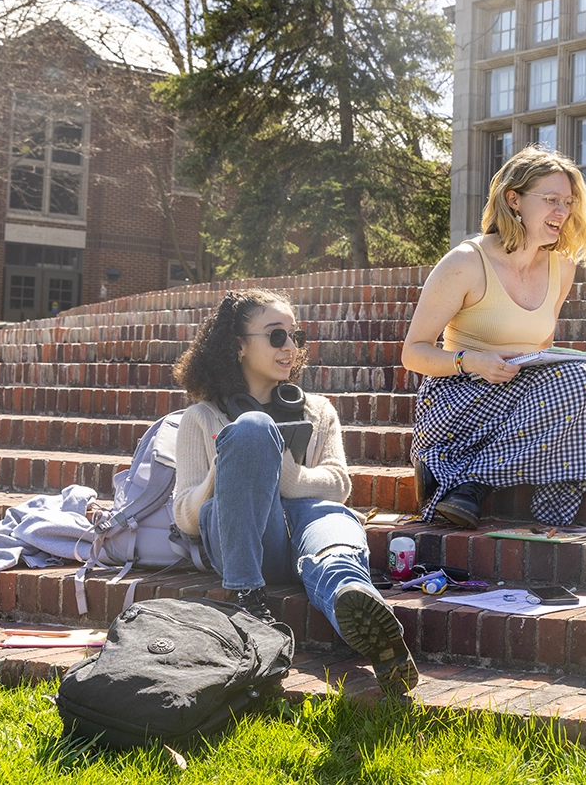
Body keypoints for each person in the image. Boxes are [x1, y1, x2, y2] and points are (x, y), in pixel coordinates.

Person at [171, 288, 418, 696]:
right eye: (275, 335)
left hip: (307, 535)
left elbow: (339, 485)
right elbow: (186, 517)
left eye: (294, 336)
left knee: (330, 514)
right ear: (238, 346)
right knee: (252, 427)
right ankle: (247, 598)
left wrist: (286, 473)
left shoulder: (317, 411)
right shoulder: (201, 417)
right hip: (247, 545)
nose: (290, 347)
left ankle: (351, 600)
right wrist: (223, 468)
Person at [402, 146, 586, 529]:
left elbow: (542, 348)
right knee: (585, 383)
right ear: (513, 199)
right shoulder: (465, 262)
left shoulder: (561, 267)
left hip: (517, 394)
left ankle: (468, 480)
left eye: (568, 202)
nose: (562, 212)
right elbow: (413, 354)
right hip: (459, 396)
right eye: (551, 200)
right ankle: (457, 472)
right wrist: (471, 361)